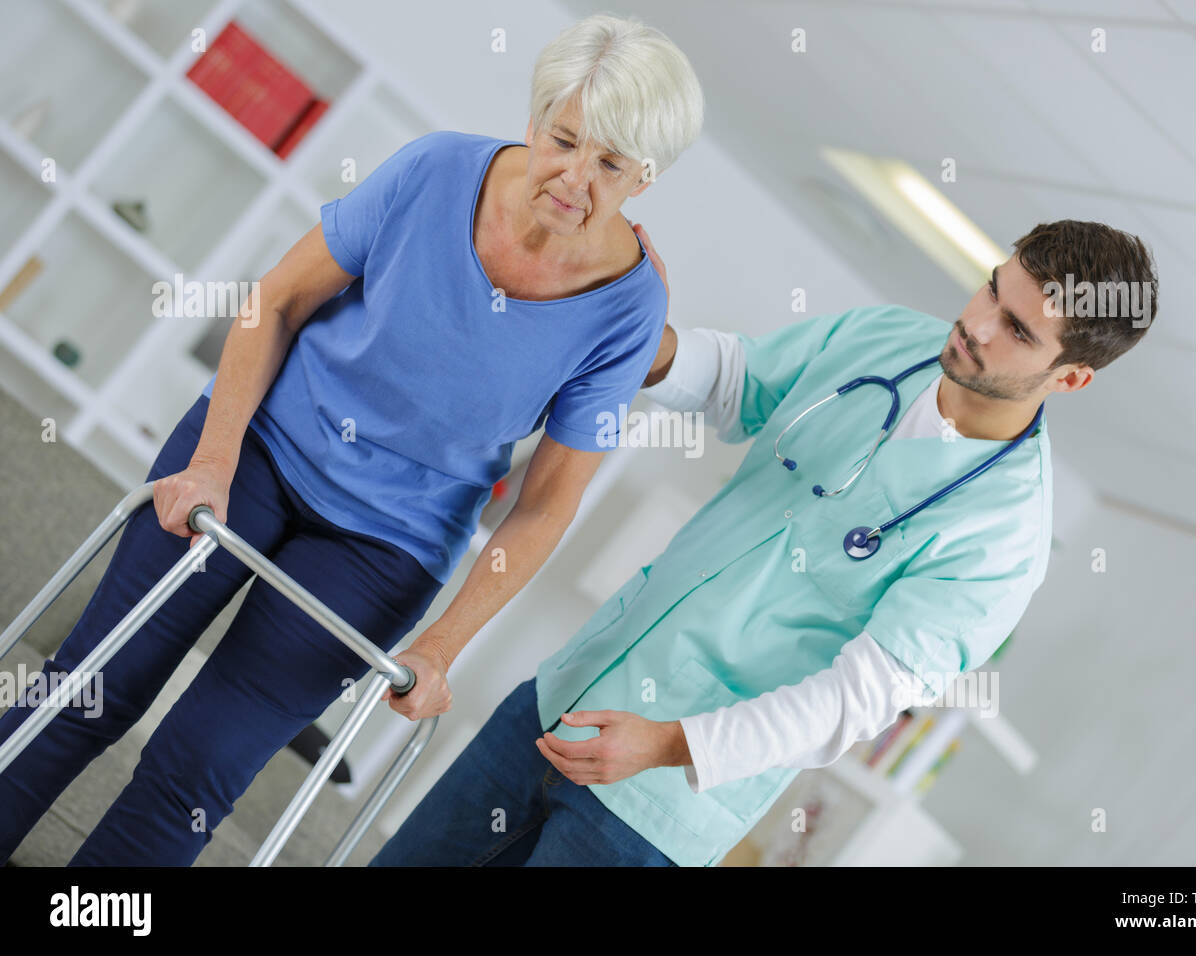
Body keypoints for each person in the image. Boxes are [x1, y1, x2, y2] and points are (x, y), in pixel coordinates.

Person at [0, 13, 703, 866]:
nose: (572, 176)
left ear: (647, 178)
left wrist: (444, 644)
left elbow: (549, 500)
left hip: (383, 545)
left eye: (610, 164)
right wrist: (213, 461)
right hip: (257, 450)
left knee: (196, 774)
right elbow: (279, 300)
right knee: (90, 687)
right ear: (535, 117)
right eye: (564, 139)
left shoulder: (627, 311)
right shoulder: (438, 171)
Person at [369, 219, 1158, 866]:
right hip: (567, 696)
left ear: (1072, 376)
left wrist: (672, 743)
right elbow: (742, 380)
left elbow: (852, 703)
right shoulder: (889, 341)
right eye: (993, 286)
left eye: (1017, 330)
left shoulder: (1001, 537)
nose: (978, 324)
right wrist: (640, 331)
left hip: (660, 804)